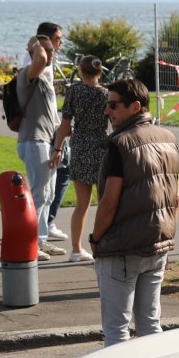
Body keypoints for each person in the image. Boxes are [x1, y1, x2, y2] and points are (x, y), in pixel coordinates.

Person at [89, 77, 179, 345]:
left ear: (135, 106)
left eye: (113, 105)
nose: (107, 111)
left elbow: (109, 202)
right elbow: (175, 197)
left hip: (122, 247)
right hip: (157, 243)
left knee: (116, 329)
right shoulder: (168, 138)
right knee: (150, 324)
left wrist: (96, 238)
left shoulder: (120, 144)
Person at [51, 55, 108, 262]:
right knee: (105, 203)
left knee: (82, 204)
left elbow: (65, 124)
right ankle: (102, 246)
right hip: (101, 147)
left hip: (81, 146)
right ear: (100, 72)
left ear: (81, 71)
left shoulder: (74, 91)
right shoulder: (106, 94)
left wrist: (57, 148)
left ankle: (76, 249)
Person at [16, 23, 65, 258]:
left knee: (48, 194)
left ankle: (41, 240)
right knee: (39, 194)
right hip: (34, 140)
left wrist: (58, 145)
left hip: (47, 141)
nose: (51, 54)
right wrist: (36, 44)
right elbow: (41, 58)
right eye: (47, 50)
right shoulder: (28, 74)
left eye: (52, 50)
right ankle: (29, 245)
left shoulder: (44, 78)